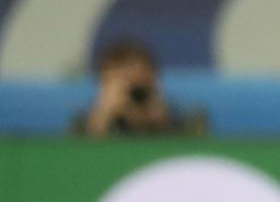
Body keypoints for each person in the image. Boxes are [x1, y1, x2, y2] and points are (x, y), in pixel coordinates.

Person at [73, 38, 207, 137]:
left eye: (138, 88)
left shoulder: (189, 118)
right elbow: (74, 159)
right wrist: (102, 121)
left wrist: (163, 125)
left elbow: (196, 159)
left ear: (154, 79)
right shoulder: (83, 122)